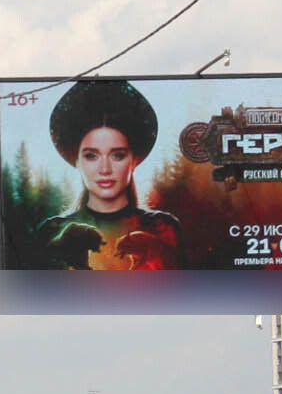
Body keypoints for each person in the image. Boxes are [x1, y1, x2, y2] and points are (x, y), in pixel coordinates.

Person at [28, 79, 180, 270]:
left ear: (134, 161)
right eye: (92, 156)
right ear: (76, 161)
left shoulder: (162, 228)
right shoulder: (52, 231)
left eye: (118, 155)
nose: (105, 168)